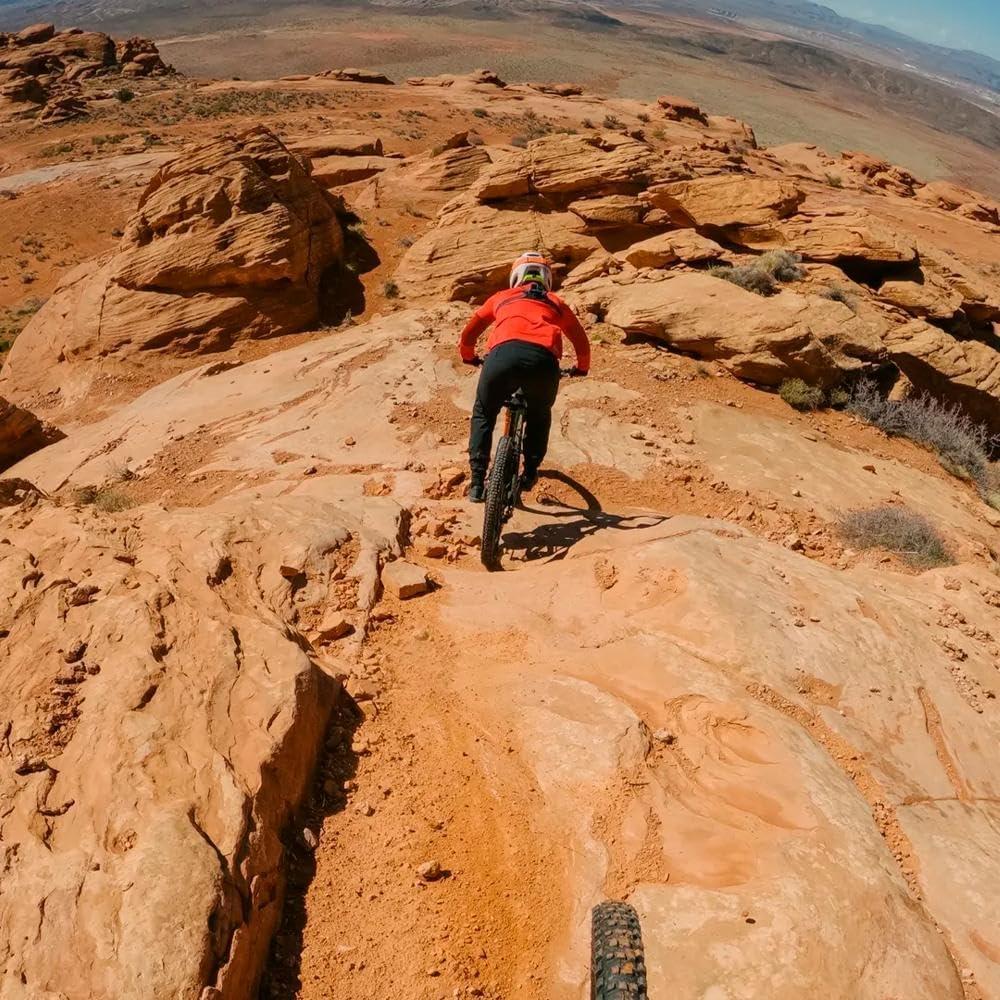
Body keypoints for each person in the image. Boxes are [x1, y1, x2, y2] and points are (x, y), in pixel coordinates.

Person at [459, 251, 591, 503]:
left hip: (501, 357)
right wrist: (581, 367)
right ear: (546, 279)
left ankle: (477, 483)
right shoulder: (556, 302)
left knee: (484, 413)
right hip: (543, 363)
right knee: (539, 415)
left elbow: (469, 333)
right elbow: (581, 341)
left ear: (516, 276)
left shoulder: (502, 297)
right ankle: (529, 472)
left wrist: (468, 356)